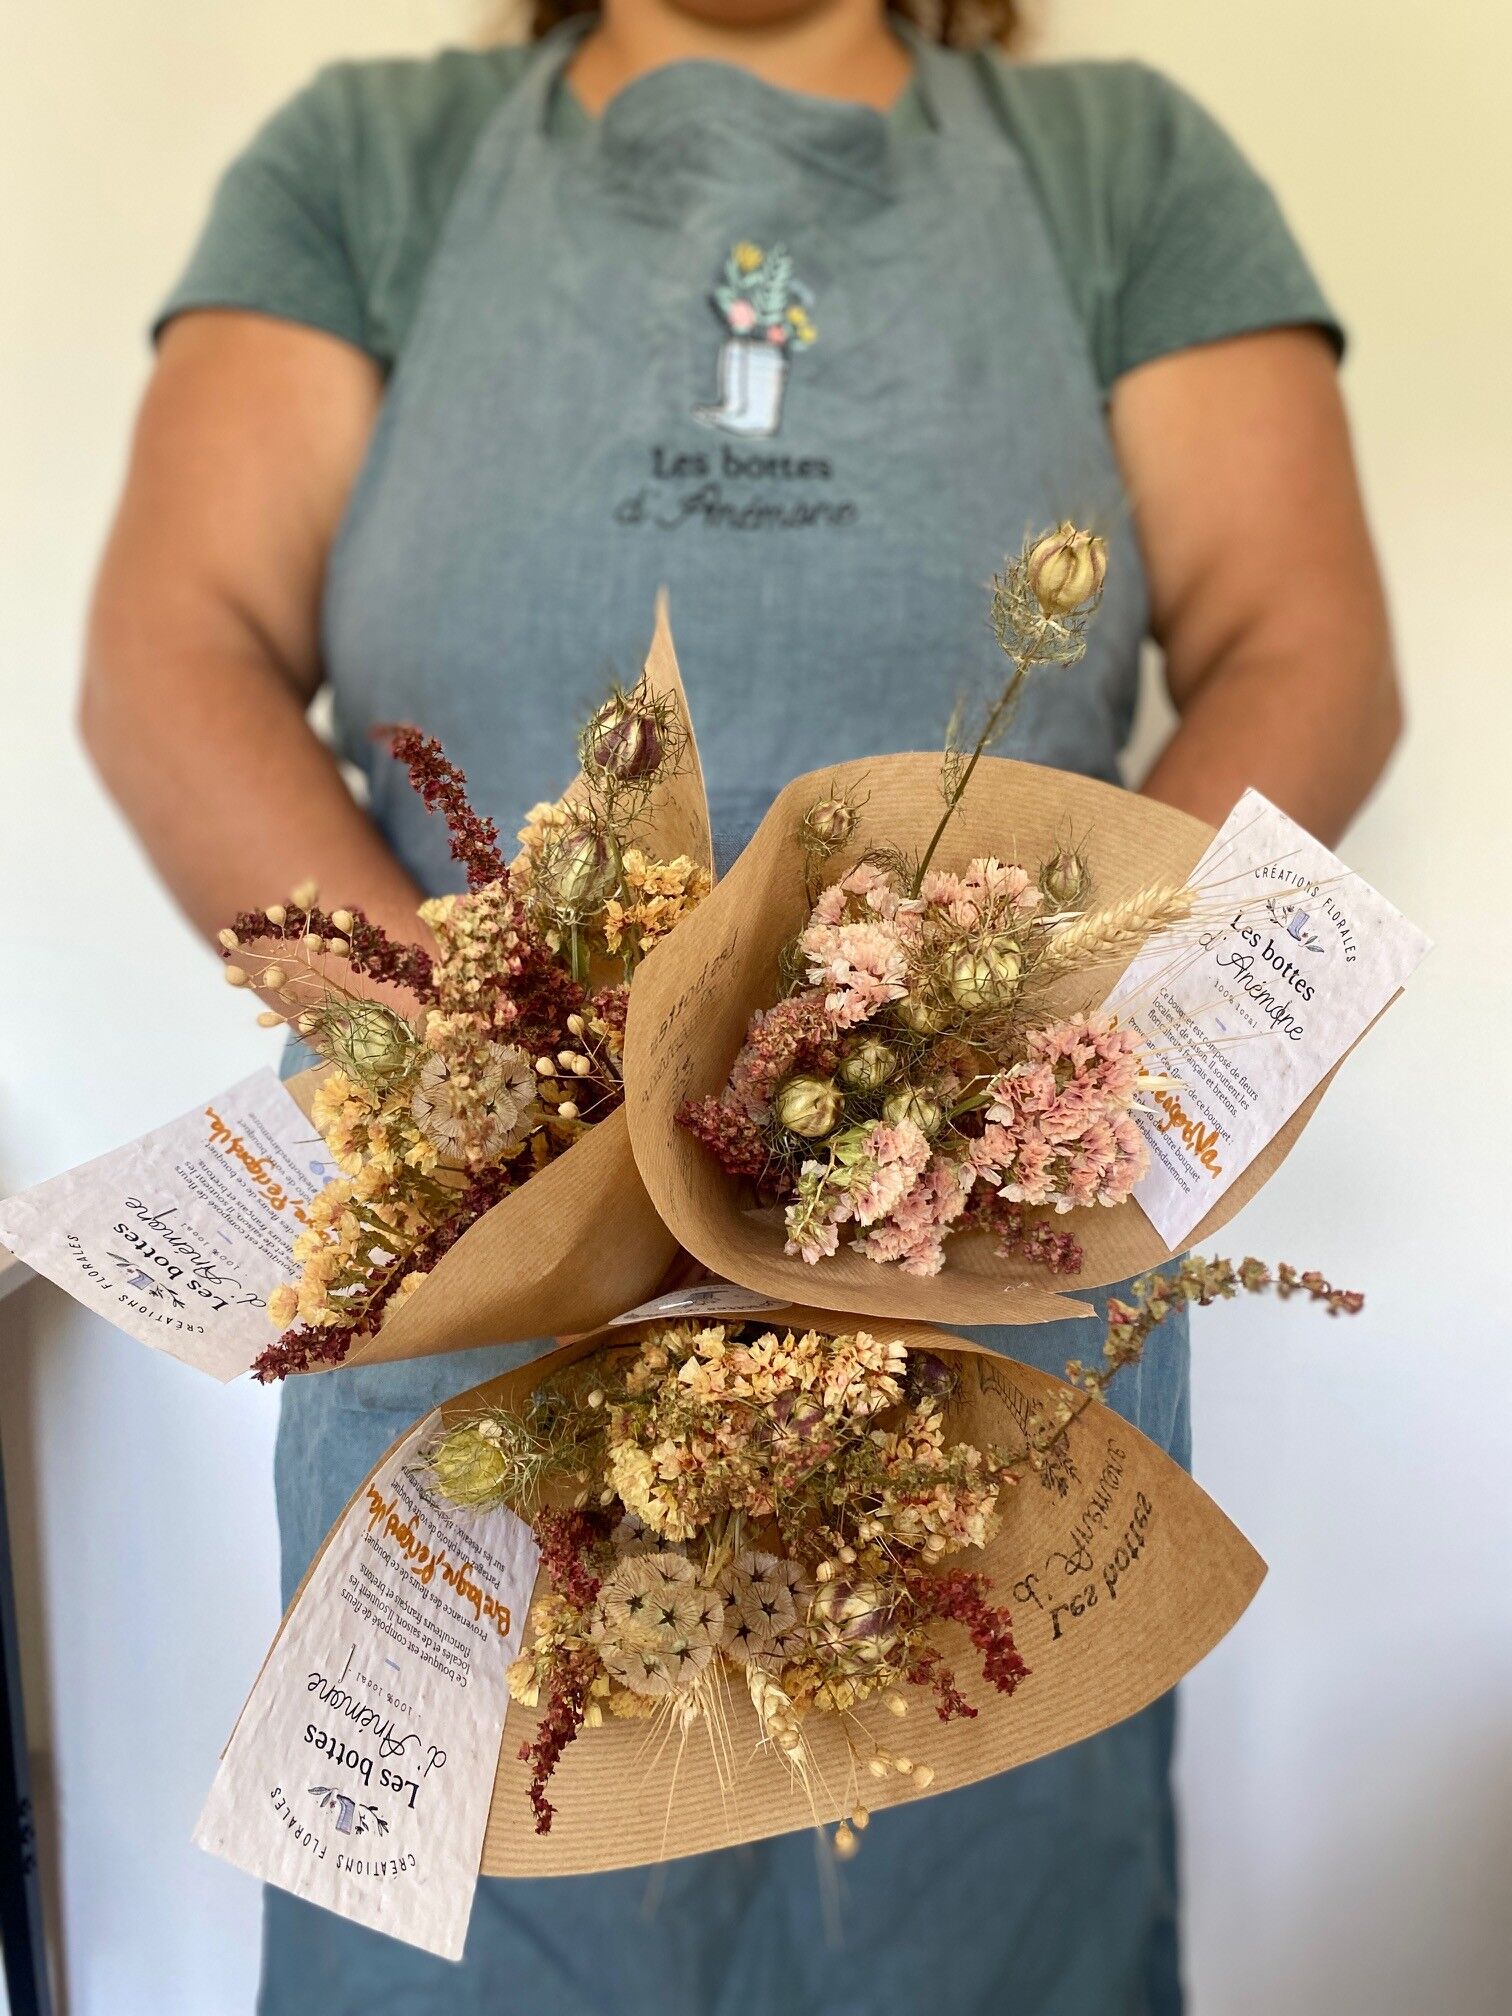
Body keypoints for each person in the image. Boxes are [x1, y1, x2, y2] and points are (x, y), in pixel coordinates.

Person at [79, 1, 1401, 2009]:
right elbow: (174, 656)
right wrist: (516, 1107)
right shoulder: (370, 162)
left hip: (984, 1307)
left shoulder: (1126, 169)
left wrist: (950, 1090)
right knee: (470, 1944)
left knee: (981, 1938)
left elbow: (1306, 648)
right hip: (477, 1298)